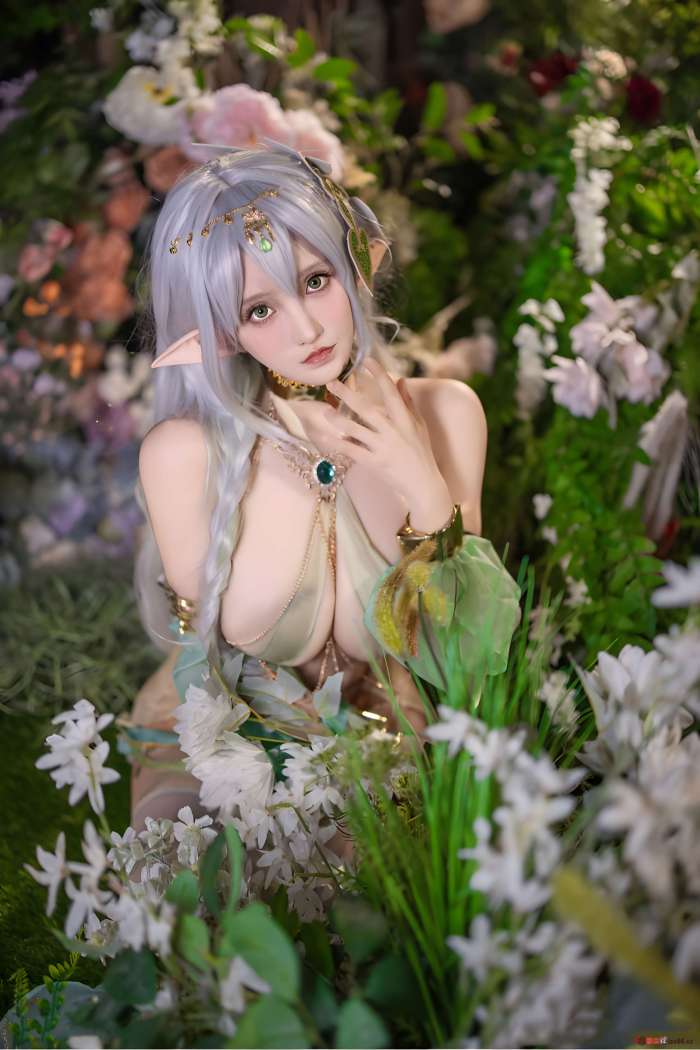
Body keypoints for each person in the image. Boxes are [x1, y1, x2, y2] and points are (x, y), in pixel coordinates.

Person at [127, 142, 521, 829]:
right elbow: (202, 671)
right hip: (228, 742)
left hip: (388, 741)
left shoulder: (448, 414)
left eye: (315, 280)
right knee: (193, 870)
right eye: (259, 310)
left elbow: (469, 656)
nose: (306, 328)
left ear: (357, 265)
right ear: (219, 334)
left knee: (395, 875)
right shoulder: (184, 455)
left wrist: (422, 484)